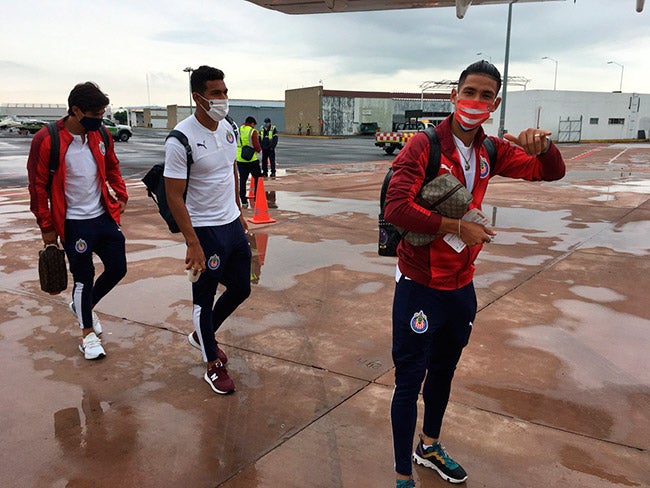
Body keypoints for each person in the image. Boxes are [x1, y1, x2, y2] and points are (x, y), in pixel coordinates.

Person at [384, 60, 566, 487]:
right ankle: (401, 476)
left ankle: (428, 446)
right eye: (470, 92)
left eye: (486, 96)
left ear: (495, 103)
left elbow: (551, 172)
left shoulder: (491, 150)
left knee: (444, 373)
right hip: (419, 285)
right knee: (409, 382)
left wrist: (545, 148)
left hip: (461, 286)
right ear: (454, 95)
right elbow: (395, 208)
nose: (476, 101)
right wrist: (456, 227)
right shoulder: (424, 146)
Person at [164, 65, 251, 395]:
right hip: (204, 230)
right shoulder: (181, 139)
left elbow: (231, 171)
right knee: (203, 298)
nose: (224, 98)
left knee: (241, 288)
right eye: (216, 93)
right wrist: (192, 241)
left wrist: (239, 210)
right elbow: (173, 194)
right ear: (198, 97)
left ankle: (204, 334)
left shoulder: (228, 126)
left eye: (225, 91)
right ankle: (212, 364)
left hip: (230, 224)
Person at [27, 82, 128, 360]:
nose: (100, 118)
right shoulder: (47, 140)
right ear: (75, 110)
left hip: (102, 216)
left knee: (118, 267)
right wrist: (47, 228)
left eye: (103, 112)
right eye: (95, 113)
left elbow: (111, 166)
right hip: (73, 222)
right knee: (83, 277)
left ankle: (83, 305)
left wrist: (120, 193)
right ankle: (87, 335)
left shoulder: (101, 135)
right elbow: (37, 187)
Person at [236, 116, 263, 208]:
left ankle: (243, 201)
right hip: (251, 159)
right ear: (252, 123)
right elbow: (256, 144)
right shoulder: (252, 131)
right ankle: (257, 197)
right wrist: (260, 151)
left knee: (242, 180)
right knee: (258, 178)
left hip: (240, 158)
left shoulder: (238, 130)